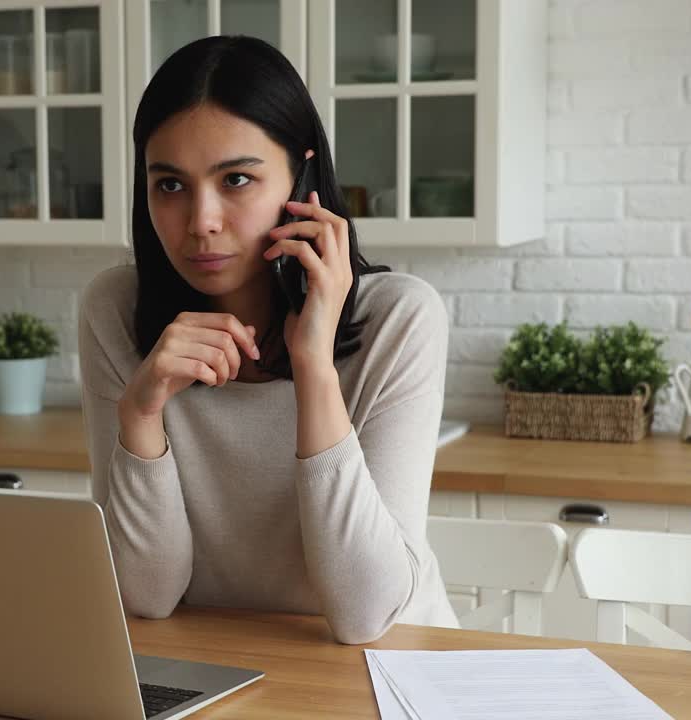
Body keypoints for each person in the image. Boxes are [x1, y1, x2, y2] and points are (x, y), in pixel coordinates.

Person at [77, 35, 458, 644]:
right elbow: (146, 597)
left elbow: (366, 616)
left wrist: (314, 365)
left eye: (235, 180)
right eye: (169, 185)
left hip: (391, 675)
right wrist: (142, 413)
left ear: (301, 176)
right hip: (216, 671)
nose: (201, 220)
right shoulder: (115, 313)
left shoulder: (400, 320)